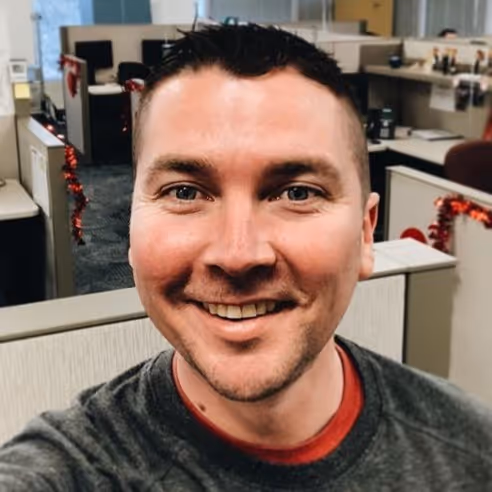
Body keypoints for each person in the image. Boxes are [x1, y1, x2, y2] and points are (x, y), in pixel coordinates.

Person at [1, 24, 492, 491]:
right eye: (185, 192)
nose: (237, 255)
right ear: (132, 230)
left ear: (366, 235)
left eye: (297, 192)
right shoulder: (66, 470)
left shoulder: (473, 452)